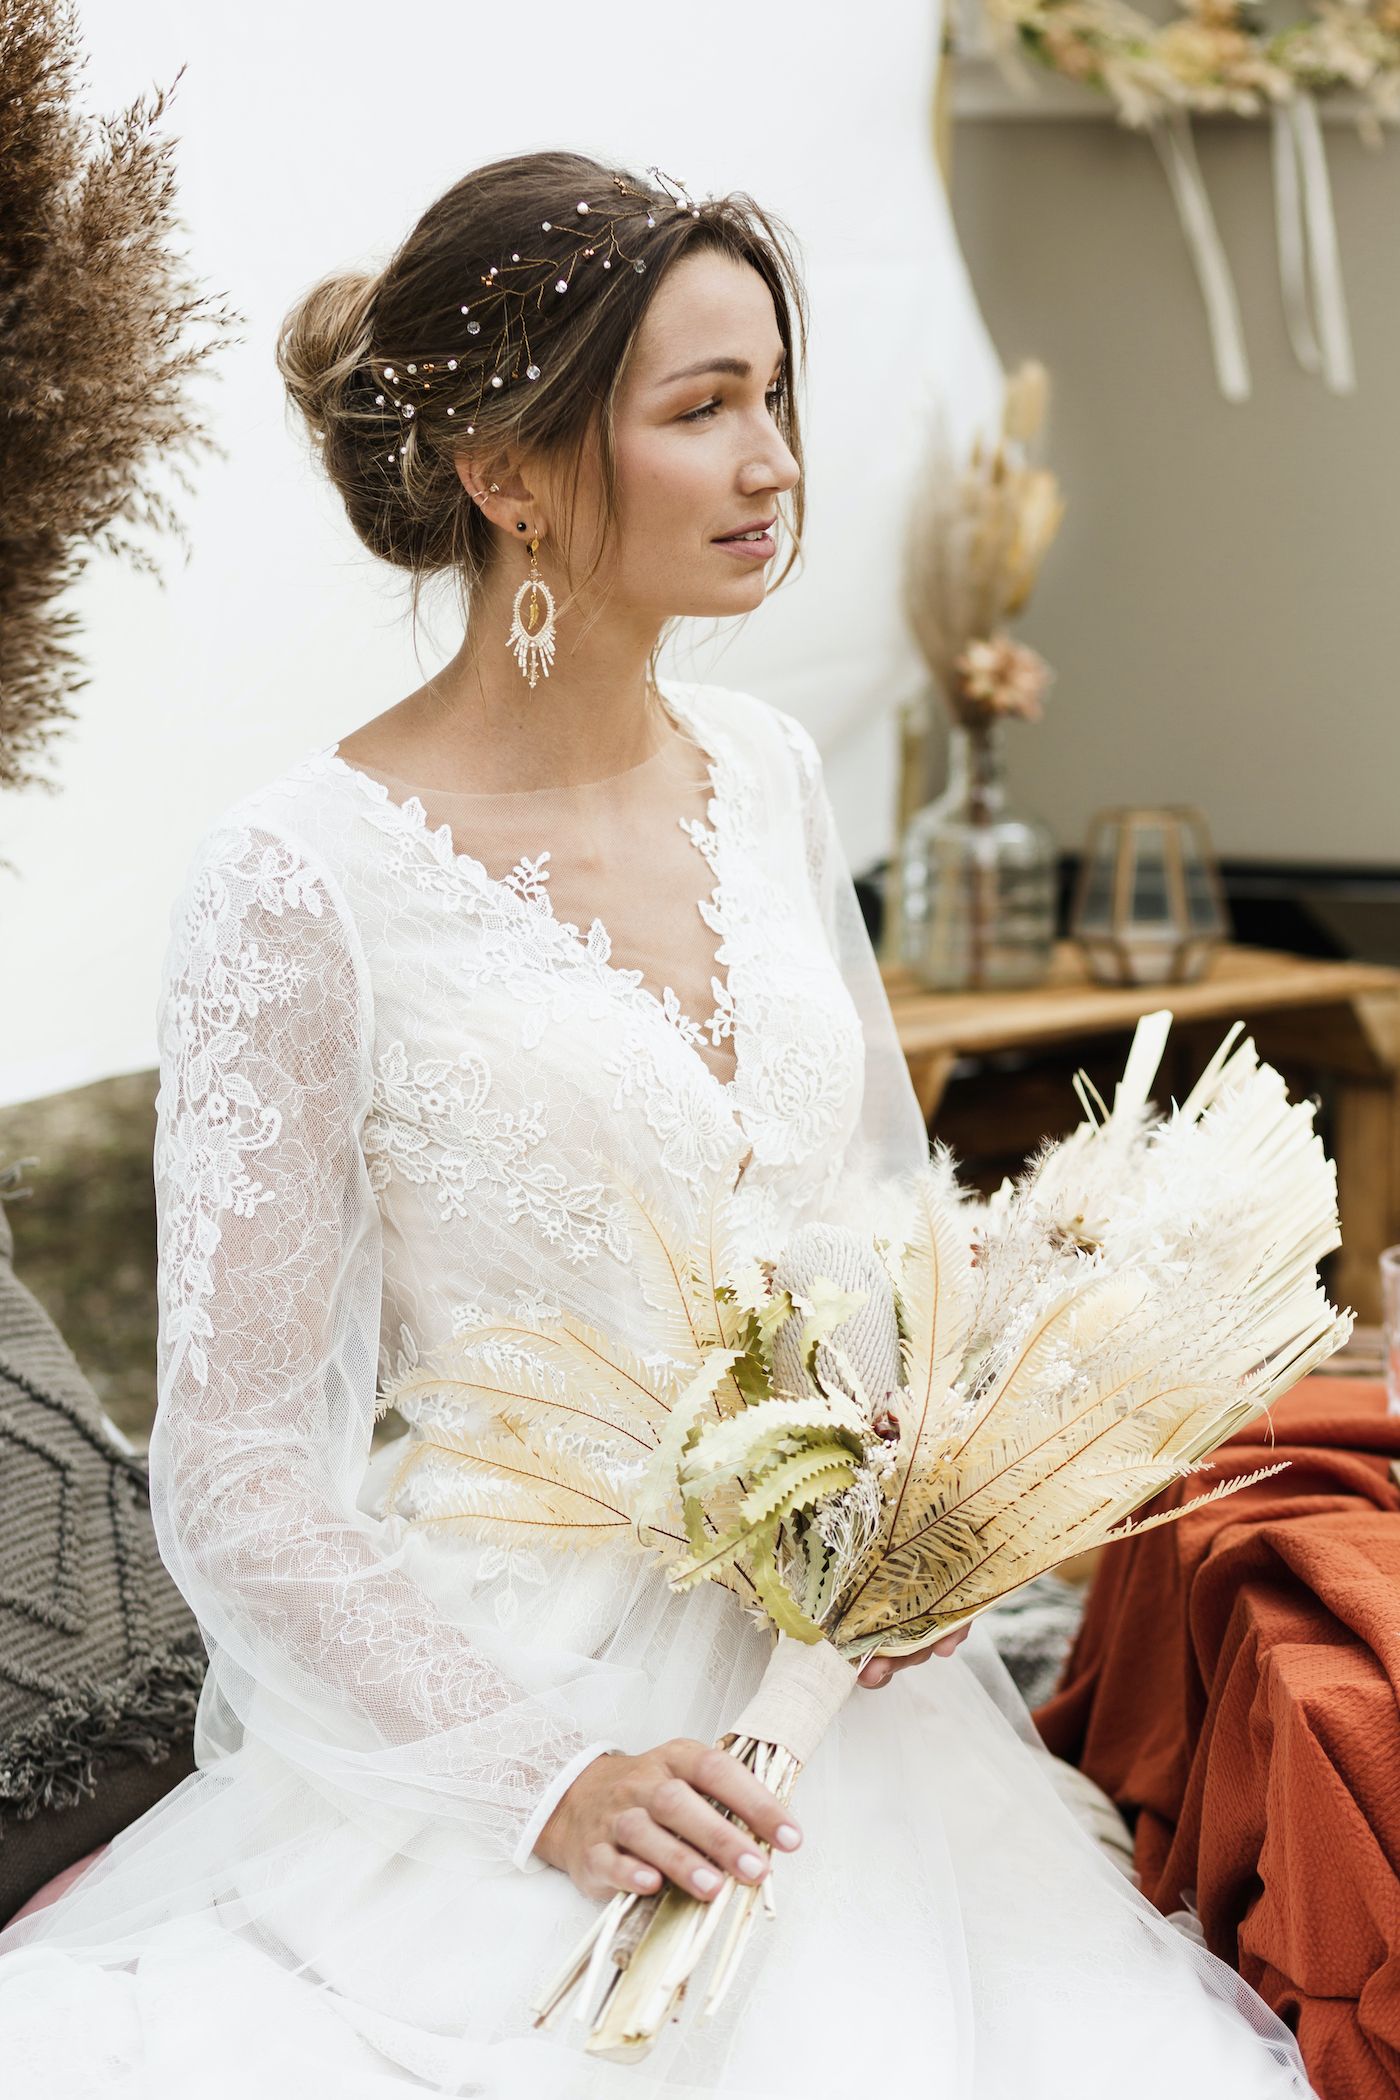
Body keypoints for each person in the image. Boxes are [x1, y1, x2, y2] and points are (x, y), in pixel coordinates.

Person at [0, 150, 1317, 2099]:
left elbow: (877, 1230)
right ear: (505, 472)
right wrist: (542, 1776)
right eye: (701, 408)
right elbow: (239, 1466)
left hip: (847, 1687)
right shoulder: (292, 880)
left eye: (773, 393)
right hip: (509, 1702)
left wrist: (931, 1506)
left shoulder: (768, 774)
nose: (772, 461)